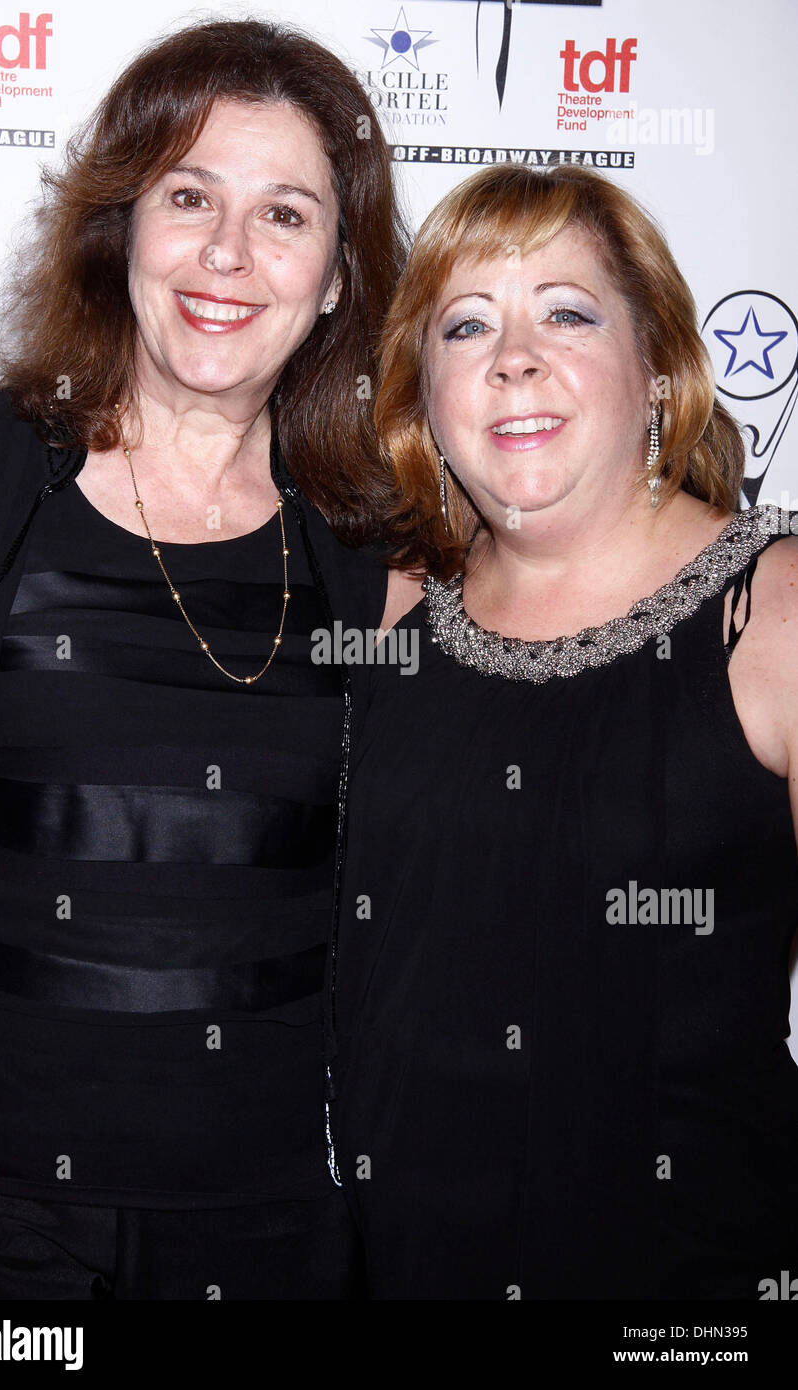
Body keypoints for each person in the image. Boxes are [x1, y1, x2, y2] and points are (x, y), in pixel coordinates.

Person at [0, 18, 412, 1300]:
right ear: (121, 230)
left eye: (286, 215)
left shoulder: (373, 553)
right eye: (188, 195)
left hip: (263, 1229)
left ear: (334, 281)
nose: (226, 253)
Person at [327, 162, 798, 1299]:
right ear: (421, 403)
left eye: (567, 313)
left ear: (657, 371)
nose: (512, 358)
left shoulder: (774, 608)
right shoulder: (385, 610)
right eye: (466, 325)